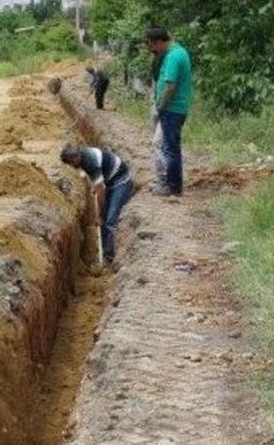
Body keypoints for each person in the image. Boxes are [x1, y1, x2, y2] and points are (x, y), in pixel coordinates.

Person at [60, 143, 134, 267]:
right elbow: (98, 182)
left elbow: (101, 190)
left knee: (109, 220)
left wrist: (99, 215)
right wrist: (96, 185)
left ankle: (108, 257)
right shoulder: (82, 156)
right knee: (105, 217)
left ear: (74, 159)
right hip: (110, 181)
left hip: (121, 182)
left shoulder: (90, 161)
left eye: (71, 164)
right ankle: (105, 253)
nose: (72, 167)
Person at [145, 27, 193, 195]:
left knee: (170, 148)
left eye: (153, 46)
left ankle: (173, 187)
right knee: (162, 144)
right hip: (175, 108)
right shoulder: (178, 52)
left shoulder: (173, 56)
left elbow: (170, 86)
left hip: (172, 109)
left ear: (159, 42)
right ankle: (166, 182)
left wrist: (160, 107)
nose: (153, 51)